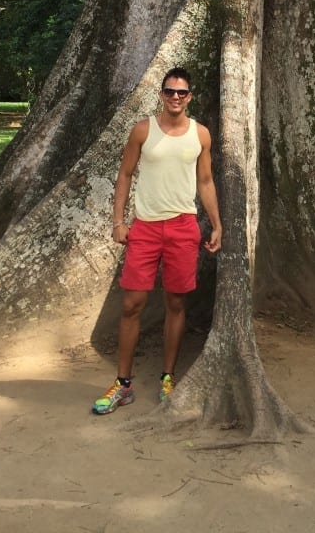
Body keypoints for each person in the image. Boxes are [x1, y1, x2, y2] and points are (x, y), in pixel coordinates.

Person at [92, 67, 222, 414]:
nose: (175, 97)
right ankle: (123, 383)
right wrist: (118, 221)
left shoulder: (201, 135)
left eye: (182, 92)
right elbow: (125, 174)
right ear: (161, 94)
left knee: (176, 305)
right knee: (132, 304)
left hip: (182, 228)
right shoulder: (142, 131)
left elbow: (206, 181)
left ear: (190, 96)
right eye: (170, 91)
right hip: (146, 229)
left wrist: (216, 224)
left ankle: (168, 377)